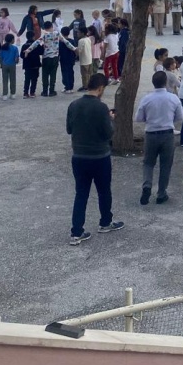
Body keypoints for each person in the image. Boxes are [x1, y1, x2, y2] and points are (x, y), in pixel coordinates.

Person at [65, 73, 124, 245]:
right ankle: (105, 222)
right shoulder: (101, 108)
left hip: (79, 156)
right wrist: (111, 119)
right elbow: (108, 133)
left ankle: (76, 232)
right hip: (99, 156)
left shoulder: (73, 105)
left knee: (81, 193)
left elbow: (69, 129)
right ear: (100, 88)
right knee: (104, 191)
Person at [136, 71, 183, 206]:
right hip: (167, 133)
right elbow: (180, 117)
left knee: (148, 163)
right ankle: (161, 193)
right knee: (165, 164)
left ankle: (147, 185)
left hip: (151, 133)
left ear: (153, 83)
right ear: (165, 82)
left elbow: (139, 118)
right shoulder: (173, 98)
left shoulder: (146, 98)